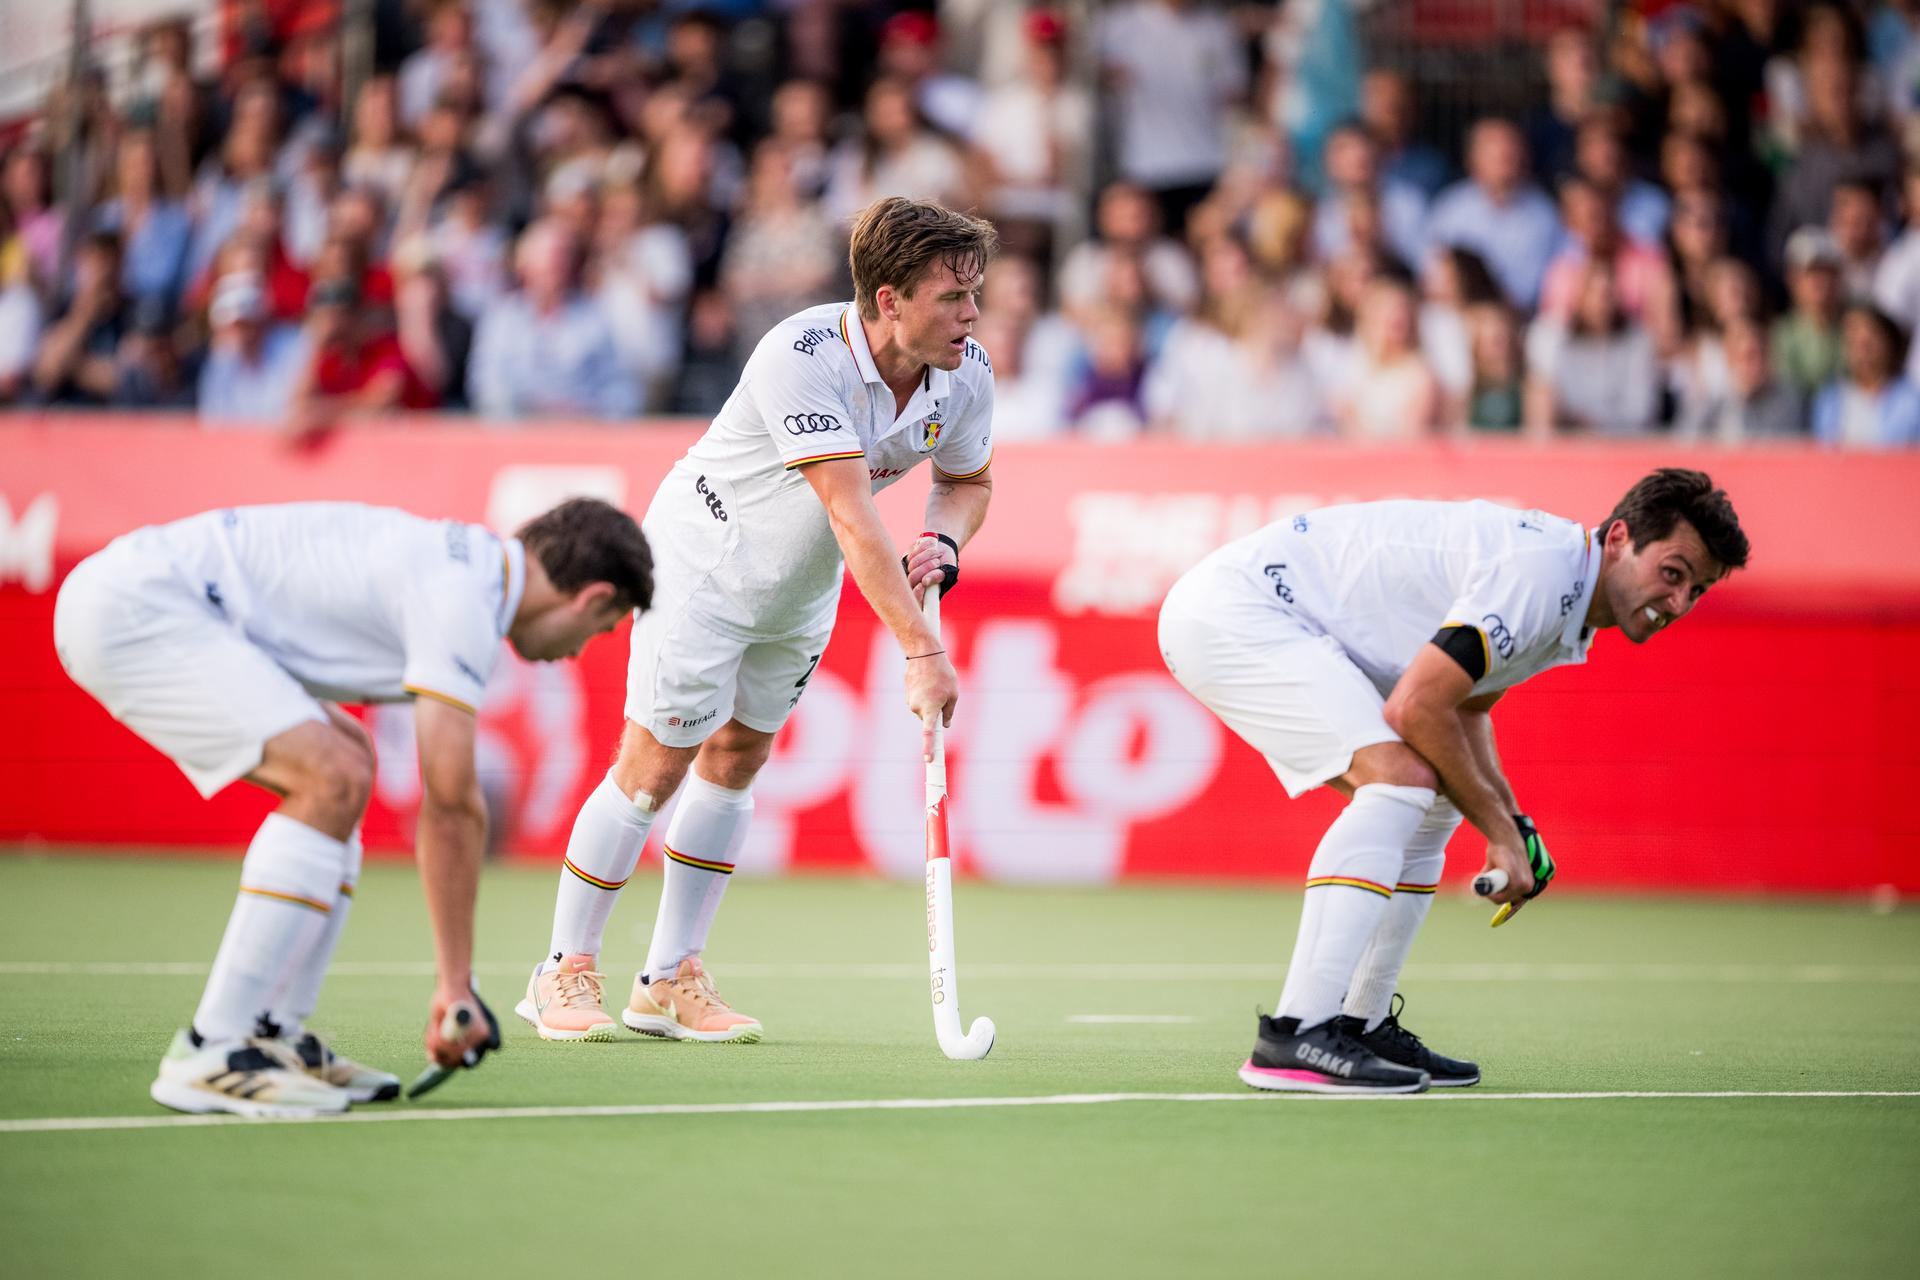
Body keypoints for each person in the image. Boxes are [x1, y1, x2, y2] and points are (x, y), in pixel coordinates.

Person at [517, 197, 997, 1044]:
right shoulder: (802, 355)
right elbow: (850, 512)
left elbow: (969, 482)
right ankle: (563, 967)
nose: (971, 315)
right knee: (654, 765)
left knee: (737, 760)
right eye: (951, 297)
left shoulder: (967, 375)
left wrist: (945, 542)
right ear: (889, 299)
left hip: (799, 584)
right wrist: (921, 648)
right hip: (704, 564)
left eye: (975, 294)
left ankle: (667, 976)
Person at [52, 499, 653, 1116]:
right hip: (135, 609)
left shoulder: (471, 573)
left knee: (350, 759)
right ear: (591, 598)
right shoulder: (462, 599)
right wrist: (456, 986)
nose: (580, 649)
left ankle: (271, 1033)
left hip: (141, 600)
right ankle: (215, 1047)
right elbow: (451, 805)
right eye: (603, 628)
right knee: (330, 776)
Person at [1158, 469, 1750, 1093]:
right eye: (1673, 573)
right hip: (1238, 610)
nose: (1678, 603)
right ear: (1619, 538)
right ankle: (1295, 1034)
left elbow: (1464, 712)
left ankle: (1357, 1022)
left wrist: (1513, 827)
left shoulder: (1570, 591)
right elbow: (1415, 709)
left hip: (1257, 611)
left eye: (1698, 591)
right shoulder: (1542, 577)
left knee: (1433, 792)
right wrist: (1496, 831)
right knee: (1402, 781)